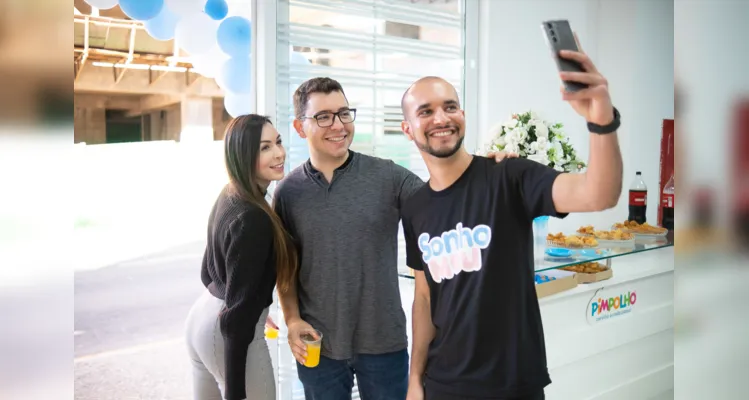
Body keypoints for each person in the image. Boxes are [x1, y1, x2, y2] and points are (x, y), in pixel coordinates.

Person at [400, 41, 623, 400]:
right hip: (443, 384)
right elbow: (424, 298)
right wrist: (415, 380)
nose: (441, 118)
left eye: (450, 107)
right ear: (408, 129)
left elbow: (598, 194)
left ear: (463, 115)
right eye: (425, 112)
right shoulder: (414, 208)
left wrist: (601, 118)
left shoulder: (508, 176)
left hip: (513, 384)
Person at [273, 77, 514, 399]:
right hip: (318, 343)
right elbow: (285, 269)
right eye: (323, 116)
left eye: (344, 113)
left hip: (383, 343)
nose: (338, 125)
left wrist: (488, 171)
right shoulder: (288, 192)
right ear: (300, 127)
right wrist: (291, 320)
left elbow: (446, 199)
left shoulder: (388, 176)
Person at [185, 114, 298, 400]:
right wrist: (235, 392)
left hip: (201, 320)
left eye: (278, 142)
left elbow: (207, 273)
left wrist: (251, 302)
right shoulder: (254, 218)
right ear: (243, 156)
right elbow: (235, 321)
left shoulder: (231, 194)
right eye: (265, 148)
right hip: (230, 333)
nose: (279, 153)